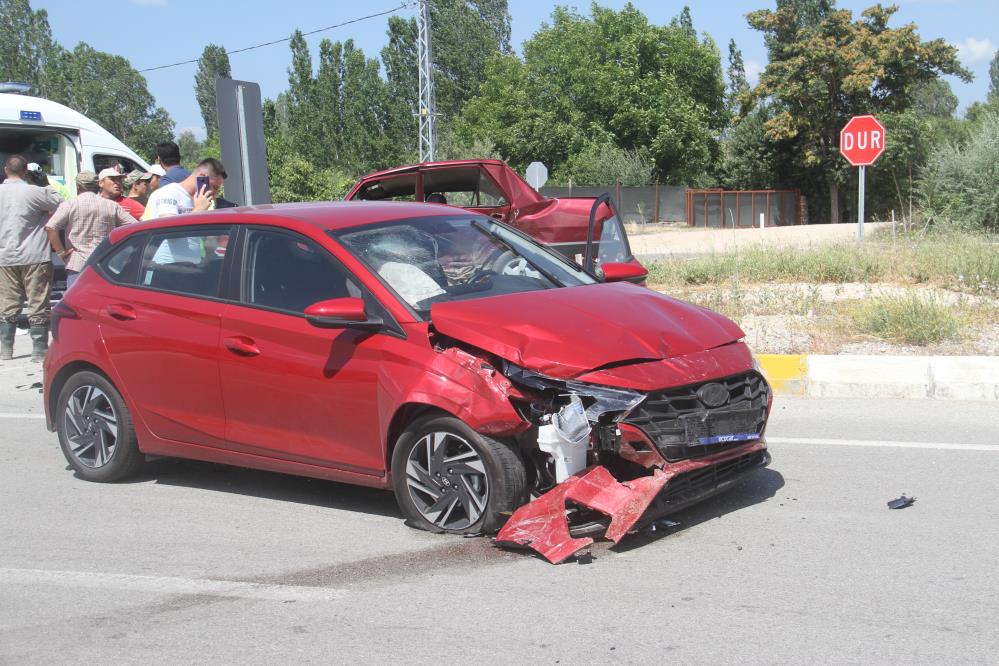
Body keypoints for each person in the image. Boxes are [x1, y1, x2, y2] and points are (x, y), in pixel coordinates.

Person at [0, 155, 65, 361]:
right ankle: (38, 350)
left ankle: (6, 349)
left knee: (8, 302)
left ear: (5, 170)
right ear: (26, 171)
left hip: (5, 256)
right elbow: (60, 201)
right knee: (38, 301)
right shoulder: (35, 192)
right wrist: (44, 183)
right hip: (35, 255)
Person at [45, 171, 137, 289]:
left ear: (78, 186)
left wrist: (61, 252)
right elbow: (134, 226)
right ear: (97, 184)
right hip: (105, 263)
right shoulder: (111, 205)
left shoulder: (70, 204)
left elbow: (50, 227)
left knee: (75, 303)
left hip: (77, 263)